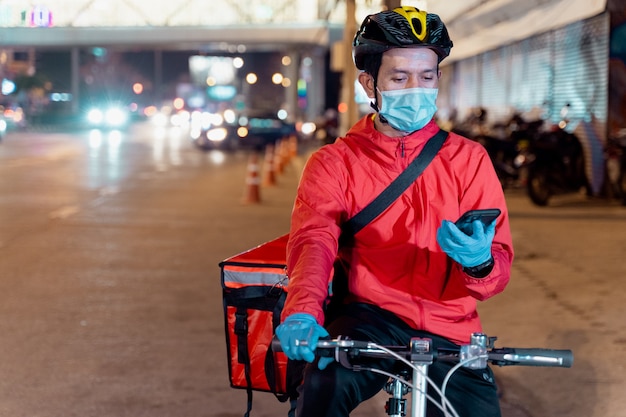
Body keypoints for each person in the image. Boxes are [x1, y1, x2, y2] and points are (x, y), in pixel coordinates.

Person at [275, 6, 514, 417]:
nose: (415, 89)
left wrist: (480, 263)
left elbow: (494, 276)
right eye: (399, 78)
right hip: (368, 318)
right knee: (320, 392)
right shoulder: (334, 163)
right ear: (370, 83)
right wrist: (302, 310)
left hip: (450, 324)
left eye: (426, 76)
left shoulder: (469, 160)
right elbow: (314, 242)